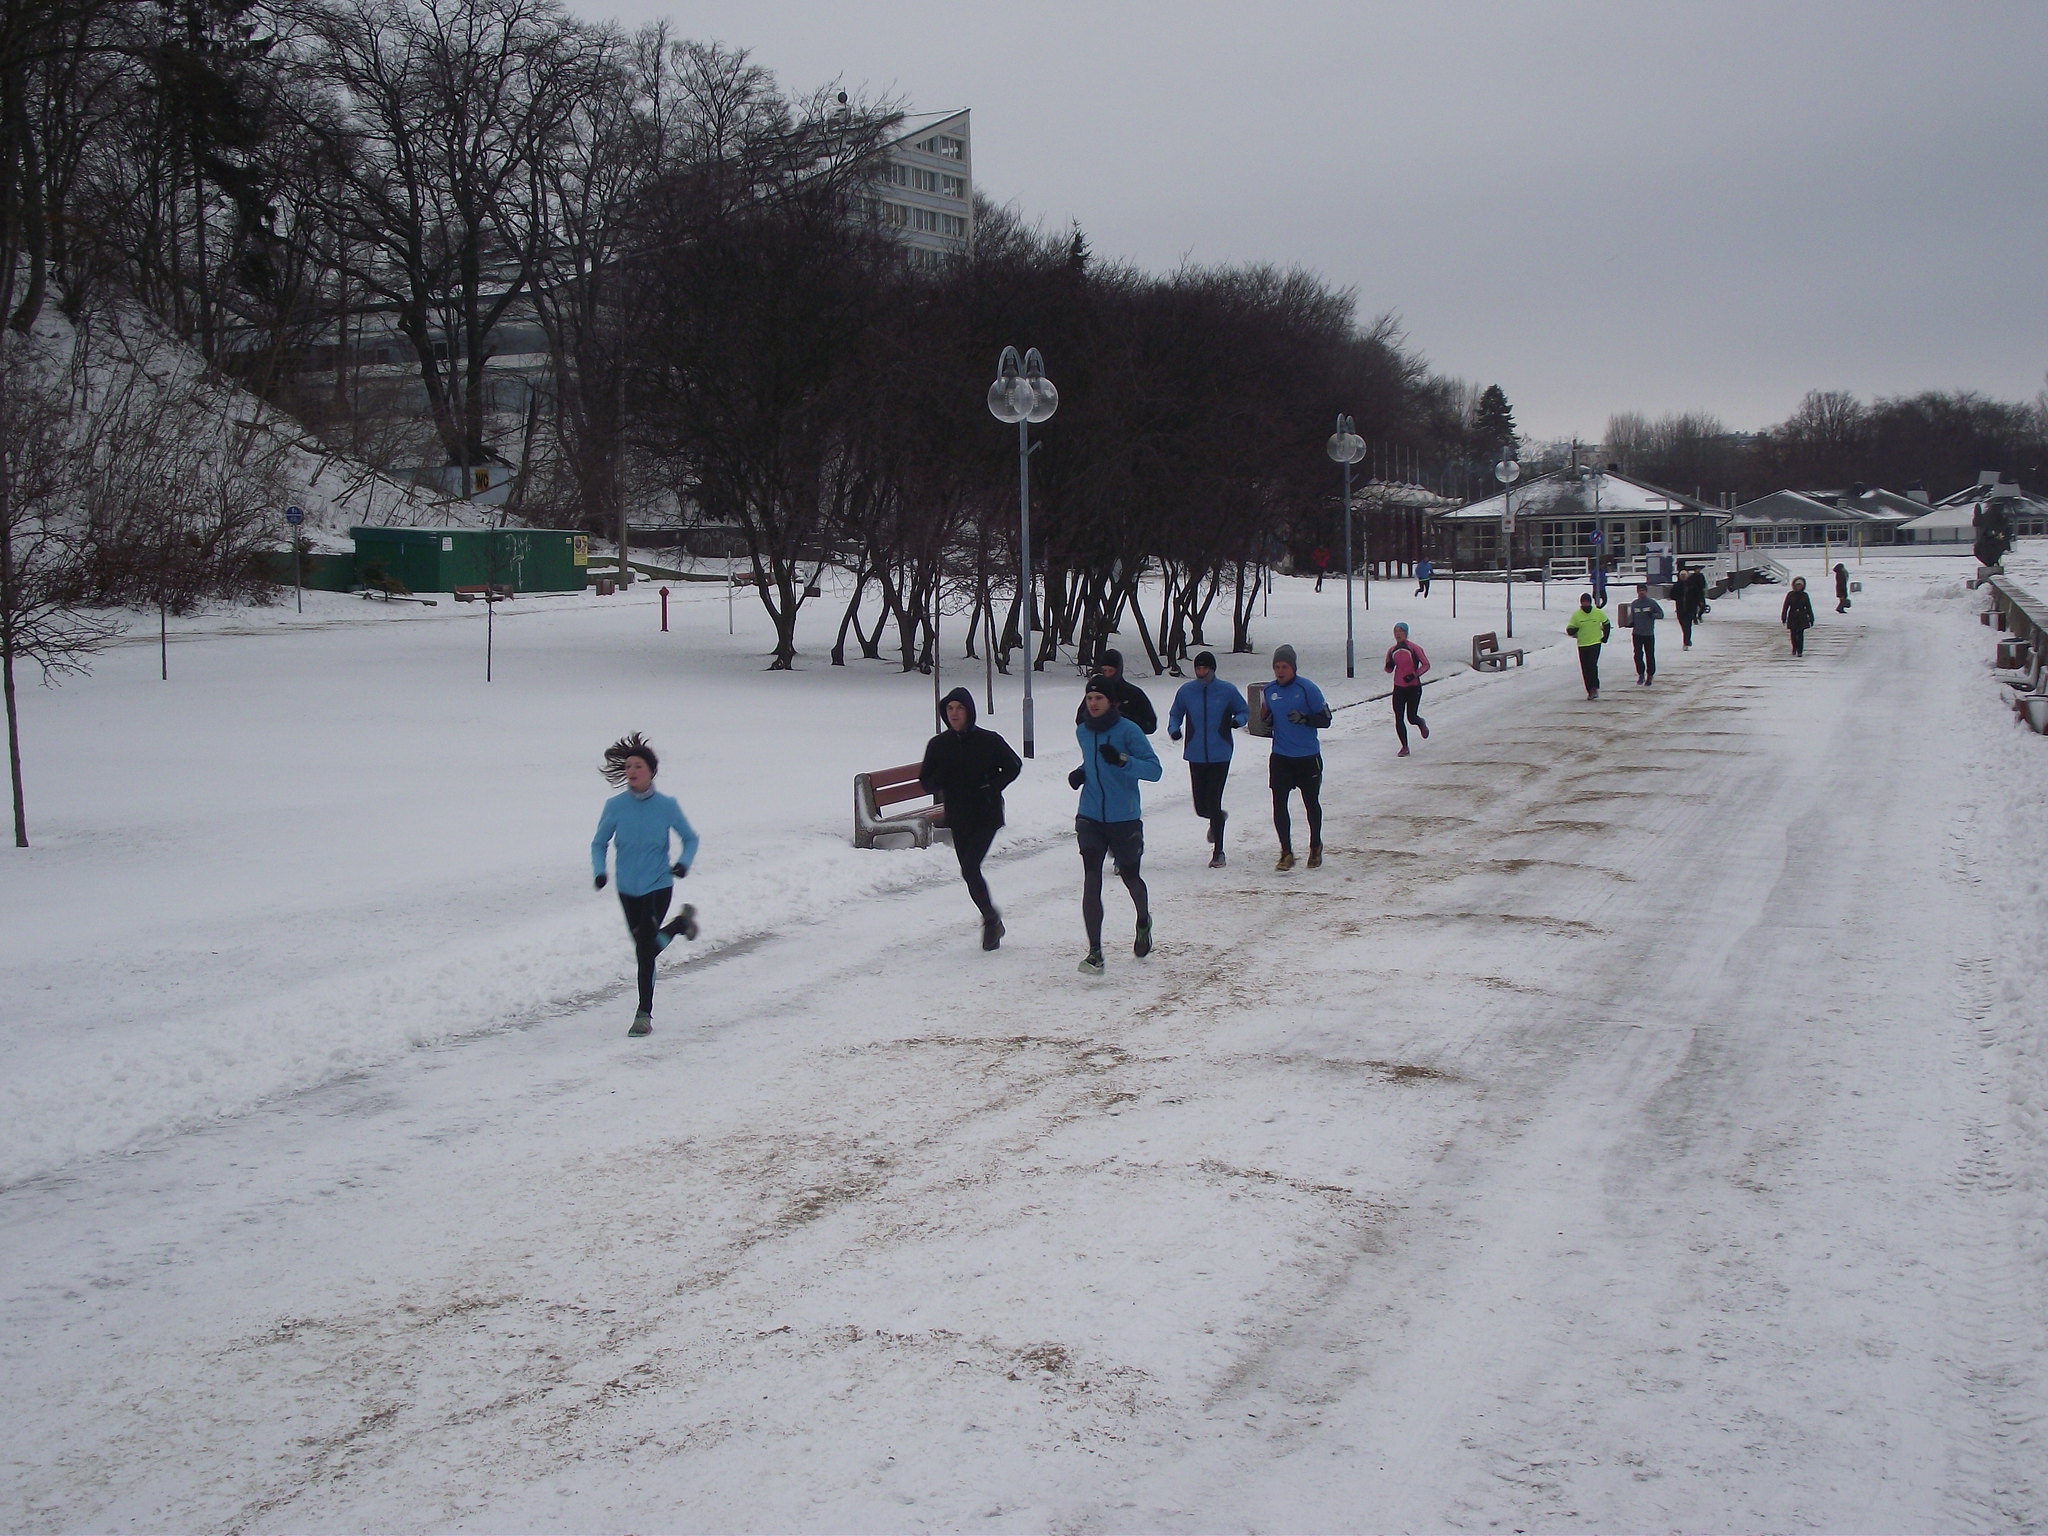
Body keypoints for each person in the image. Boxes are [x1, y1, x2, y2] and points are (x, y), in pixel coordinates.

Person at [590, 733, 699, 1037]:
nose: (632, 771)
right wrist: (600, 871)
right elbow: (599, 843)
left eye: (638, 766)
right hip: (627, 888)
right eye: (628, 766)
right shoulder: (615, 806)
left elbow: (690, 838)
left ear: (651, 770)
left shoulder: (666, 806)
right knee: (645, 948)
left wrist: (683, 863)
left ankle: (643, 1014)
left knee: (644, 950)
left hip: (658, 884)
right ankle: (679, 925)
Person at [1069, 674, 1163, 975]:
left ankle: (1143, 920)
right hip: (1090, 815)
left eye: (1099, 698)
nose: (1093, 703)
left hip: (1124, 817)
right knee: (1091, 878)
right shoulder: (1083, 731)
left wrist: (1123, 760)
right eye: (1089, 698)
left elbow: (1154, 770)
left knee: (1131, 877)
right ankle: (1095, 952)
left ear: (1111, 702)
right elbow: (1093, 762)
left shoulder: (1129, 730)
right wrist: (1082, 772)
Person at [920, 686, 1023, 950]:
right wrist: (940, 778)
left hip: (986, 814)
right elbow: (926, 781)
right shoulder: (939, 745)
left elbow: (1013, 765)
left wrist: (992, 785)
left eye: (960, 708)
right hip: (958, 816)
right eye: (949, 708)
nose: (954, 713)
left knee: (969, 867)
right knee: (970, 871)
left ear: (970, 712)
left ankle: (990, 920)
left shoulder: (989, 740)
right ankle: (992, 918)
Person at [1166, 650, 1249, 867]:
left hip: (1220, 753)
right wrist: (1174, 729)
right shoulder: (1187, 691)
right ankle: (1217, 817)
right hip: (1195, 754)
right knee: (1201, 808)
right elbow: (1175, 713)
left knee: (1213, 800)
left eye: (1205, 668)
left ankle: (1218, 852)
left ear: (1212, 669)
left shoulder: (1227, 690)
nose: (1201, 672)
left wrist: (1236, 721)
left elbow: (1243, 710)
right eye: (1198, 668)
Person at [1255, 643, 1331, 871]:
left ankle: (1315, 845)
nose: (1280, 671)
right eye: (1277, 667)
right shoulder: (1269, 691)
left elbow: (1326, 719)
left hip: (1307, 756)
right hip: (1281, 757)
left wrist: (1305, 718)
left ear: (1293, 668)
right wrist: (1266, 722)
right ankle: (1286, 852)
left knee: (1311, 803)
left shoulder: (1307, 688)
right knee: (1279, 804)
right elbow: (1265, 718)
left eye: (1284, 667)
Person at [1073, 647, 1158, 735]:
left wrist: (1121, 720)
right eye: (1104, 670)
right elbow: (1080, 719)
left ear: (1118, 670)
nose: (1107, 674)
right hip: (1099, 739)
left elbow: (1150, 725)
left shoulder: (1133, 693)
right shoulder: (1096, 691)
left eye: (1111, 671)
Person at [1384, 622, 1430, 756]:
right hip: (1399, 687)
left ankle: (1420, 723)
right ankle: (1404, 747)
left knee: (1411, 717)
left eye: (1400, 631)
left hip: (1413, 687)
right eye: (1395, 631)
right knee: (1398, 717)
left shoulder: (1414, 648)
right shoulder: (1391, 651)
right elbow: (1388, 670)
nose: (1397, 634)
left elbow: (1426, 665)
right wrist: (1389, 665)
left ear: (1406, 633)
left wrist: (1414, 675)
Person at [1566, 592, 1611, 699]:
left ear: (1590, 603)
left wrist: (1605, 637)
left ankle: (1594, 687)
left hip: (1595, 643)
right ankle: (1589, 690)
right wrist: (1572, 630)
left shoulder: (1598, 613)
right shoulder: (1576, 615)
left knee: (1592, 664)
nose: (1585, 604)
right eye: (1583, 603)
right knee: (1585, 668)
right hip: (1582, 644)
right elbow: (1569, 628)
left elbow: (1606, 623)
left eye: (1587, 602)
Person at [1626, 582, 1663, 685]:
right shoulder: (1634, 604)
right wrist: (1630, 623)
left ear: (1646, 591)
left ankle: (1650, 675)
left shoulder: (1652, 603)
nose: (1641, 592)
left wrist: (1653, 615)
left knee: (1649, 655)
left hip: (1648, 633)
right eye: (1639, 590)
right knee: (1637, 655)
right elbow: (1632, 616)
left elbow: (1661, 614)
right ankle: (1641, 674)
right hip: (1637, 634)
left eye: (1643, 590)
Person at [1782, 576, 1815, 656]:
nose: (1799, 587)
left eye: (1800, 585)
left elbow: (1808, 607)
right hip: (1792, 616)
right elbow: (1786, 606)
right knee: (1793, 633)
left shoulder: (1805, 595)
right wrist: (1784, 617)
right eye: (1797, 585)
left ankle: (1800, 650)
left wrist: (1811, 618)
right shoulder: (1790, 595)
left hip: (1802, 616)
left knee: (1800, 634)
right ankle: (1794, 647)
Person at [1674, 565, 1705, 649]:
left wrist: (1699, 602)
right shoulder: (1677, 585)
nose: (1683, 577)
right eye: (1682, 576)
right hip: (1680, 608)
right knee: (1683, 625)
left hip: (1690, 608)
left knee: (1687, 625)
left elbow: (1697, 594)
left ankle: (1686, 641)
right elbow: (1672, 595)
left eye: (1684, 575)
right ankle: (1687, 638)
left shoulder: (1692, 585)